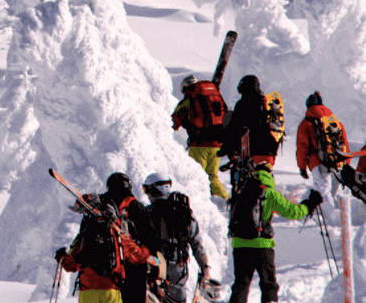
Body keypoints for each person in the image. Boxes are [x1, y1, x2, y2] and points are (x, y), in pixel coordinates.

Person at [226, 163, 321, 303]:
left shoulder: (240, 191)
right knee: (268, 285)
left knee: (241, 285)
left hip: (240, 245)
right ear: (270, 175)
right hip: (262, 246)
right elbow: (292, 212)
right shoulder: (270, 194)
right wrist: (308, 205)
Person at [54, 192, 152, 303]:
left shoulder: (84, 237)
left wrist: (61, 256)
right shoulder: (118, 236)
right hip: (111, 291)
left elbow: (70, 265)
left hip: (88, 293)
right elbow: (138, 256)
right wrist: (147, 250)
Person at [143, 173, 210, 303]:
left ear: (153, 189)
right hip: (178, 266)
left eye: (146, 190)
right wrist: (204, 266)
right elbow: (197, 243)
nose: (147, 194)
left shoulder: (146, 213)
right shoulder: (184, 212)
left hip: (153, 265)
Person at [99, 172, 159, 303]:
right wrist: (155, 268)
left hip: (113, 270)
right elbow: (151, 239)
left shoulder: (104, 207)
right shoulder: (136, 207)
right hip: (136, 269)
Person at [171, 74, 230, 200]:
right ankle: (225, 200)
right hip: (217, 144)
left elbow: (173, 122)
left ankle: (198, 202)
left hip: (199, 145)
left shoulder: (188, 100)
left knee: (196, 176)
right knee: (212, 176)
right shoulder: (214, 97)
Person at [295, 91, 349, 218]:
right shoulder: (335, 122)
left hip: (317, 162)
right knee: (326, 191)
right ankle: (327, 217)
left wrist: (302, 167)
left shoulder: (306, 123)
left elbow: (302, 147)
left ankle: (329, 219)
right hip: (336, 162)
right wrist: (345, 164)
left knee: (322, 192)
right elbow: (345, 144)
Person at [219, 75, 282, 169]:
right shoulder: (268, 103)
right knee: (265, 178)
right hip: (270, 151)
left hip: (249, 153)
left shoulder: (242, 104)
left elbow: (233, 129)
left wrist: (225, 149)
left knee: (248, 180)